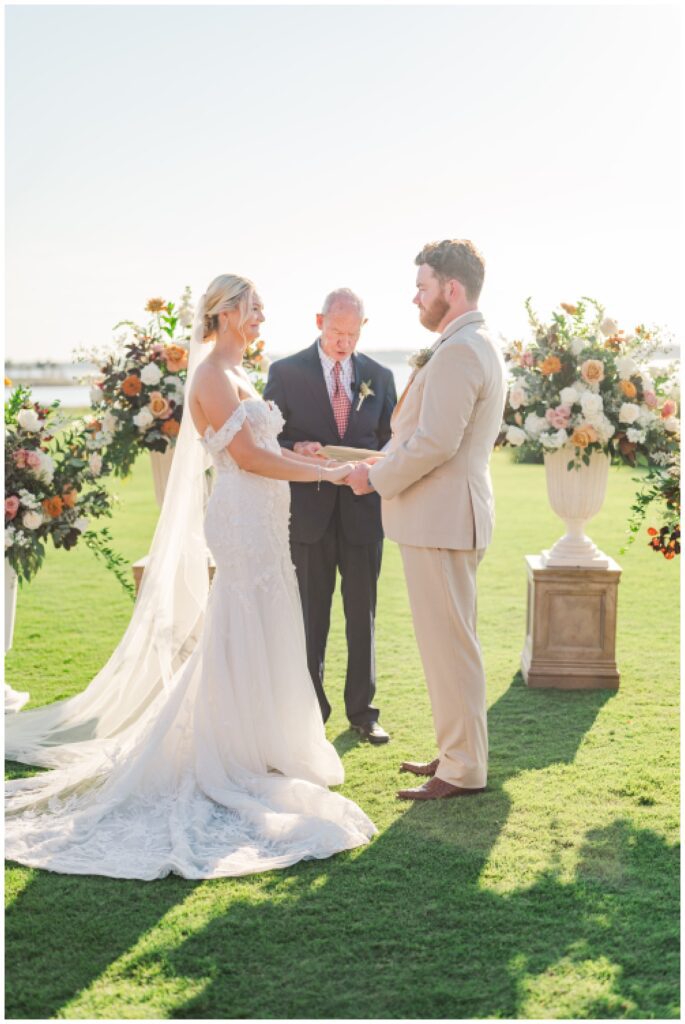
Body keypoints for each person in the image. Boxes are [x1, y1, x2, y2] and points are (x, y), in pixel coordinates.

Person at [5, 274, 376, 879]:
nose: (261, 318)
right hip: (241, 516)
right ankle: (233, 750)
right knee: (244, 617)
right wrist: (328, 476)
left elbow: (260, 444)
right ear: (227, 313)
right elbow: (248, 459)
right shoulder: (209, 374)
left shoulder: (239, 373)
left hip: (263, 515)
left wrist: (304, 453)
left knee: (270, 616)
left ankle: (265, 743)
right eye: (254, 309)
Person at [346, 240, 506, 800]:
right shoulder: (466, 342)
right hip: (442, 519)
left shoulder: (462, 349)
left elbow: (437, 442)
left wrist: (376, 478)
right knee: (446, 645)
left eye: (422, 287)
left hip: (442, 521)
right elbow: (423, 438)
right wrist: (379, 463)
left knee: (451, 646)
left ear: (451, 289)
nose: (415, 296)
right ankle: (455, 753)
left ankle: (462, 770)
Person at [264, 289, 396, 744]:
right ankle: (310, 714)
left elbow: (392, 443)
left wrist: (372, 462)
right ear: (319, 321)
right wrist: (294, 449)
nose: (344, 342)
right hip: (309, 514)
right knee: (309, 618)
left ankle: (364, 713)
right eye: (337, 332)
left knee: (363, 616)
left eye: (352, 334)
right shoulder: (284, 372)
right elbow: (266, 439)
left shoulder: (380, 376)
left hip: (363, 513)